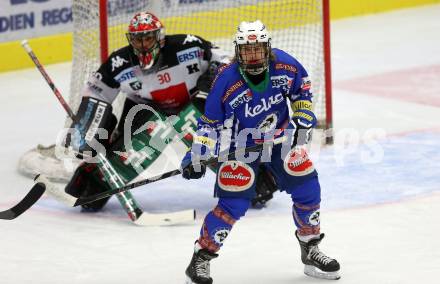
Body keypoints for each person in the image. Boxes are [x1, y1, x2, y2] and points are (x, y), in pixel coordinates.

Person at [64, 12, 277, 212]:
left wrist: (208, 86)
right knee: (136, 143)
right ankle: (94, 182)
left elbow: (223, 61)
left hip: (194, 106)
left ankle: (252, 176)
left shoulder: (187, 46)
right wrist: (88, 129)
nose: (143, 45)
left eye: (147, 39)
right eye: (137, 40)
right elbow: (95, 93)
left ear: (160, 38)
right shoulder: (119, 63)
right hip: (146, 112)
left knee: (203, 132)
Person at [180, 20, 340, 283]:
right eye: (247, 50)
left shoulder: (286, 65)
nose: (253, 56)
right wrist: (196, 155)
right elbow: (210, 124)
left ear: (267, 48)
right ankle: (200, 260)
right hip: (241, 146)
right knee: (233, 204)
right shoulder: (225, 79)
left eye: (257, 49)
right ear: (238, 51)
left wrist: (303, 116)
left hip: (281, 140)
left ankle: (310, 250)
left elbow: (302, 91)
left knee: (308, 188)